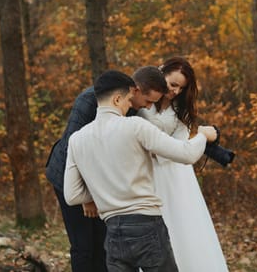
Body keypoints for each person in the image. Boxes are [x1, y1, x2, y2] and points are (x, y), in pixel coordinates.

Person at [64, 70, 218, 272]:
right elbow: (186, 154)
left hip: (112, 233)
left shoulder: (76, 139)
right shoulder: (136, 126)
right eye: (128, 100)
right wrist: (203, 136)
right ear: (117, 99)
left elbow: (72, 195)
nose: (131, 106)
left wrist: (104, 191)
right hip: (146, 226)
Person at [45, 66, 168, 272]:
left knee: (104, 244)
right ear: (134, 91)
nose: (148, 107)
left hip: (101, 183)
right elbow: (71, 149)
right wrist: (88, 197)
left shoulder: (132, 108)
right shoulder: (89, 101)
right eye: (148, 101)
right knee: (83, 246)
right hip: (69, 178)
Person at [137, 57, 229, 271]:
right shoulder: (141, 98)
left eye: (181, 87)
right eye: (173, 84)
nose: (176, 91)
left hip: (175, 172)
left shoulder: (181, 108)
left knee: (183, 226)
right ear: (161, 75)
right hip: (145, 171)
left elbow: (181, 144)